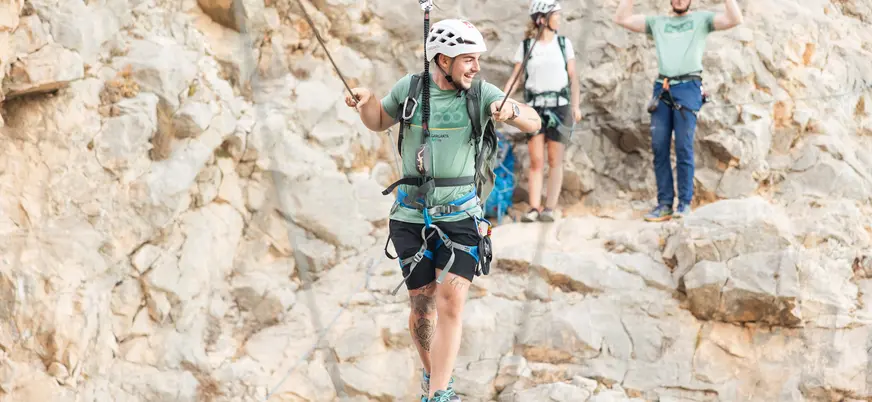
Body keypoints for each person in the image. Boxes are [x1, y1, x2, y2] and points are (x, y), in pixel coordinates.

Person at [344, 19, 541, 402]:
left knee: (451, 300)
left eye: (476, 59)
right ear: (443, 59)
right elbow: (377, 122)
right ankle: (434, 377)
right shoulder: (411, 88)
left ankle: (439, 394)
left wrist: (510, 110)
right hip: (410, 216)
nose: (476, 67)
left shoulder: (481, 93)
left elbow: (532, 121)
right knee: (421, 306)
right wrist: (366, 101)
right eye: (468, 59)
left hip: (462, 216)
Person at [613, 0, 743, 221]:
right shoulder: (658, 22)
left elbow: (735, 19)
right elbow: (621, 19)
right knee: (659, 146)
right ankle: (664, 204)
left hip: (689, 87)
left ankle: (684, 203)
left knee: (683, 145)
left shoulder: (701, 19)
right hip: (663, 88)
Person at [504, 0, 581, 223]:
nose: (559, 18)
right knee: (536, 160)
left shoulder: (565, 44)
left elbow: (573, 78)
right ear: (541, 19)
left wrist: (575, 106)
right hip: (535, 107)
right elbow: (516, 78)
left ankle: (549, 207)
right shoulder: (527, 46)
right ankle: (533, 207)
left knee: (555, 159)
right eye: (555, 14)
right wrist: (502, 100)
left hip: (560, 105)